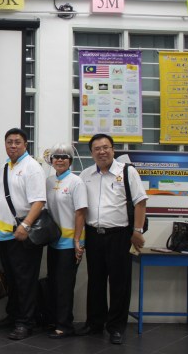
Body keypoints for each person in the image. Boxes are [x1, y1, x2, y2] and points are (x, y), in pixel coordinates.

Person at [76, 133, 147, 345]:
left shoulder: (127, 172)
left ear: (113, 149)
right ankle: (95, 323)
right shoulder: (86, 174)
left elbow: (140, 202)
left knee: (119, 283)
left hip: (120, 236)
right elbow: (81, 208)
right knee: (95, 281)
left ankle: (116, 327)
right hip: (94, 235)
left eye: (105, 147)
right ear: (91, 153)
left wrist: (137, 231)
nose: (102, 152)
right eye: (97, 149)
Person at [0, 128, 46, 340]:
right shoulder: (6, 166)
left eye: (17, 142)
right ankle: (14, 316)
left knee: (25, 280)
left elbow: (39, 201)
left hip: (22, 235)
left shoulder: (32, 167)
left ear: (25, 144)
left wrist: (25, 225)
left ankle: (26, 323)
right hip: (4, 235)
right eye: (9, 142)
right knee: (12, 279)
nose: (13, 145)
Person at [44, 143, 87, 339]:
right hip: (53, 241)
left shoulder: (76, 182)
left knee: (64, 285)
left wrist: (77, 241)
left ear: (70, 161)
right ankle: (54, 320)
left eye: (64, 157)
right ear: (51, 160)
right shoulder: (49, 181)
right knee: (53, 282)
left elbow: (80, 212)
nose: (60, 160)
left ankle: (65, 325)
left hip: (70, 243)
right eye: (56, 156)